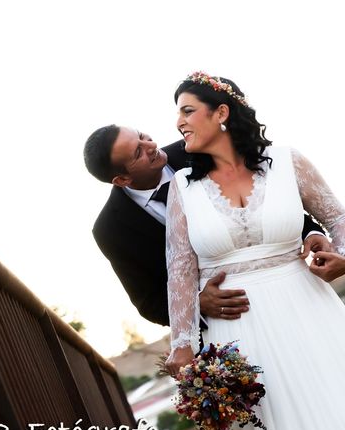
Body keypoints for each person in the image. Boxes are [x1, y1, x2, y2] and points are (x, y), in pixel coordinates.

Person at [164, 71, 345, 430]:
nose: (178, 122)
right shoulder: (181, 186)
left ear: (222, 112)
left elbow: (338, 218)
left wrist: (341, 255)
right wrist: (183, 343)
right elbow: (179, 269)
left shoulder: (287, 161)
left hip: (311, 315)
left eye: (188, 110)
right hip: (239, 336)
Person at [83, 126, 326, 327]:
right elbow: (148, 302)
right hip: (229, 323)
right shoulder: (110, 230)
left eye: (142, 136)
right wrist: (197, 303)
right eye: (138, 152)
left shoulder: (197, 151)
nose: (151, 145)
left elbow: (260, 199)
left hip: (287, 285)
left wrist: (310, 231)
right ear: (122, 180)